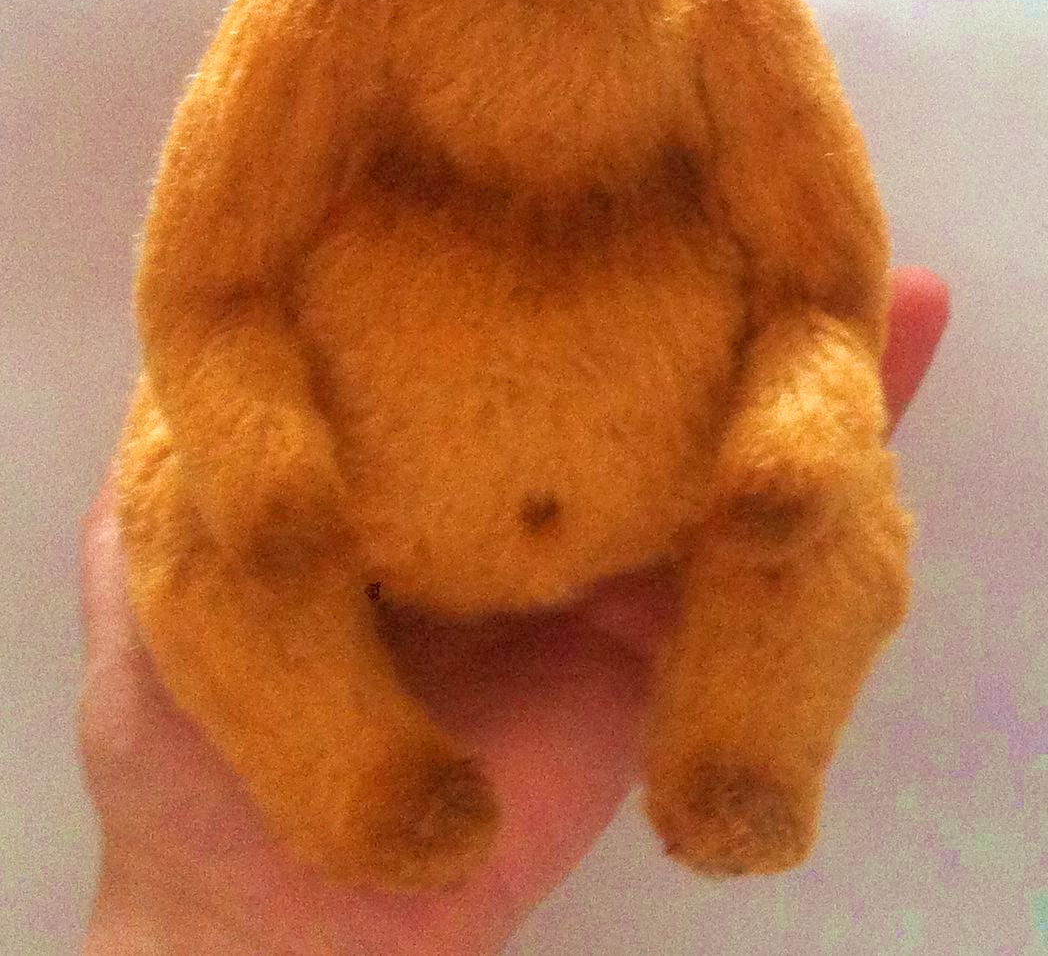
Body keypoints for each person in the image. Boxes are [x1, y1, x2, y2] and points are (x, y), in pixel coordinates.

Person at [80, 268, 949, 956]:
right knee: (192, 502)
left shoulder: (742, 103)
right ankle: (360, 775)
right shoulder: (300, 103)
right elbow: (214, 282)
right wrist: (213, 908)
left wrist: (804, 416)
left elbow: (820, 294)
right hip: (372, 486)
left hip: (645, 468)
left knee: (836, 513)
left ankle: (744, 755)